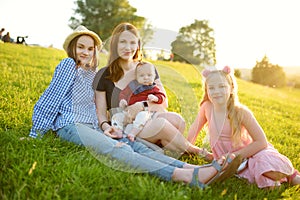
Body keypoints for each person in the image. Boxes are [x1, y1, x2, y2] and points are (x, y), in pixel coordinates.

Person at [28, 25, 242, 189]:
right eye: (80, 47)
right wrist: (35, 134)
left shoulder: (92, 73)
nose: (85, 52)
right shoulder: (68, 66)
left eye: (90, 48)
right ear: (71, 49)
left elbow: (98, 110)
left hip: (95, 126)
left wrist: (106, 126)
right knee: (117, 148)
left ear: (96, 51)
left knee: (136, 146)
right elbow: (50, 100)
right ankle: (184, 176)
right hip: (71, 124)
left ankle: (195, 168)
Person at [93, 22, 213, 160]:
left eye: (132, 42)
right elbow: (101, 113)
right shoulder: (104, 75)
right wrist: (105, 127)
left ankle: (163, 146)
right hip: (127, 125)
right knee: (161, 125)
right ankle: (198, 152)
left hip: (149, 116)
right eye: (123, 42)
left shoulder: (146, 69)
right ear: (115, 44)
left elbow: (164, 102)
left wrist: (141, 105)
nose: (128, 47)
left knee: (178, 121)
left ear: (138, 45)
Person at [187, 65, 300, 189]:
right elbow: (194, 129)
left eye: (222, 86)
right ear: (206, 90)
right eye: (211, 88)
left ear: (231, 89)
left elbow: (261, 142)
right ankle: (274, 181)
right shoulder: (207, 107)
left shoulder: (241, 112)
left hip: (253, 153)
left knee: (266, 167)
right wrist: (186, 147)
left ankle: (291, 176)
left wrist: (235, 156)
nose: (217, 91)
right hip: (235, 164)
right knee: (268, 186)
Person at [112, 61, 167, 141]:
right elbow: (123, 94)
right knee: (116, 117)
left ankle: (133, 133)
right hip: (129, 111)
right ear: (136, 77)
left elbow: (162, 97)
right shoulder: (132, 86)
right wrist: (123, 100)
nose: (146, 78)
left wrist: (155, 98)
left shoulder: (153, 88)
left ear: (154, 76)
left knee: (142, 117)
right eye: (141, 75)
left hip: (144, 111)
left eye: (149, 75)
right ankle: (118, 131)